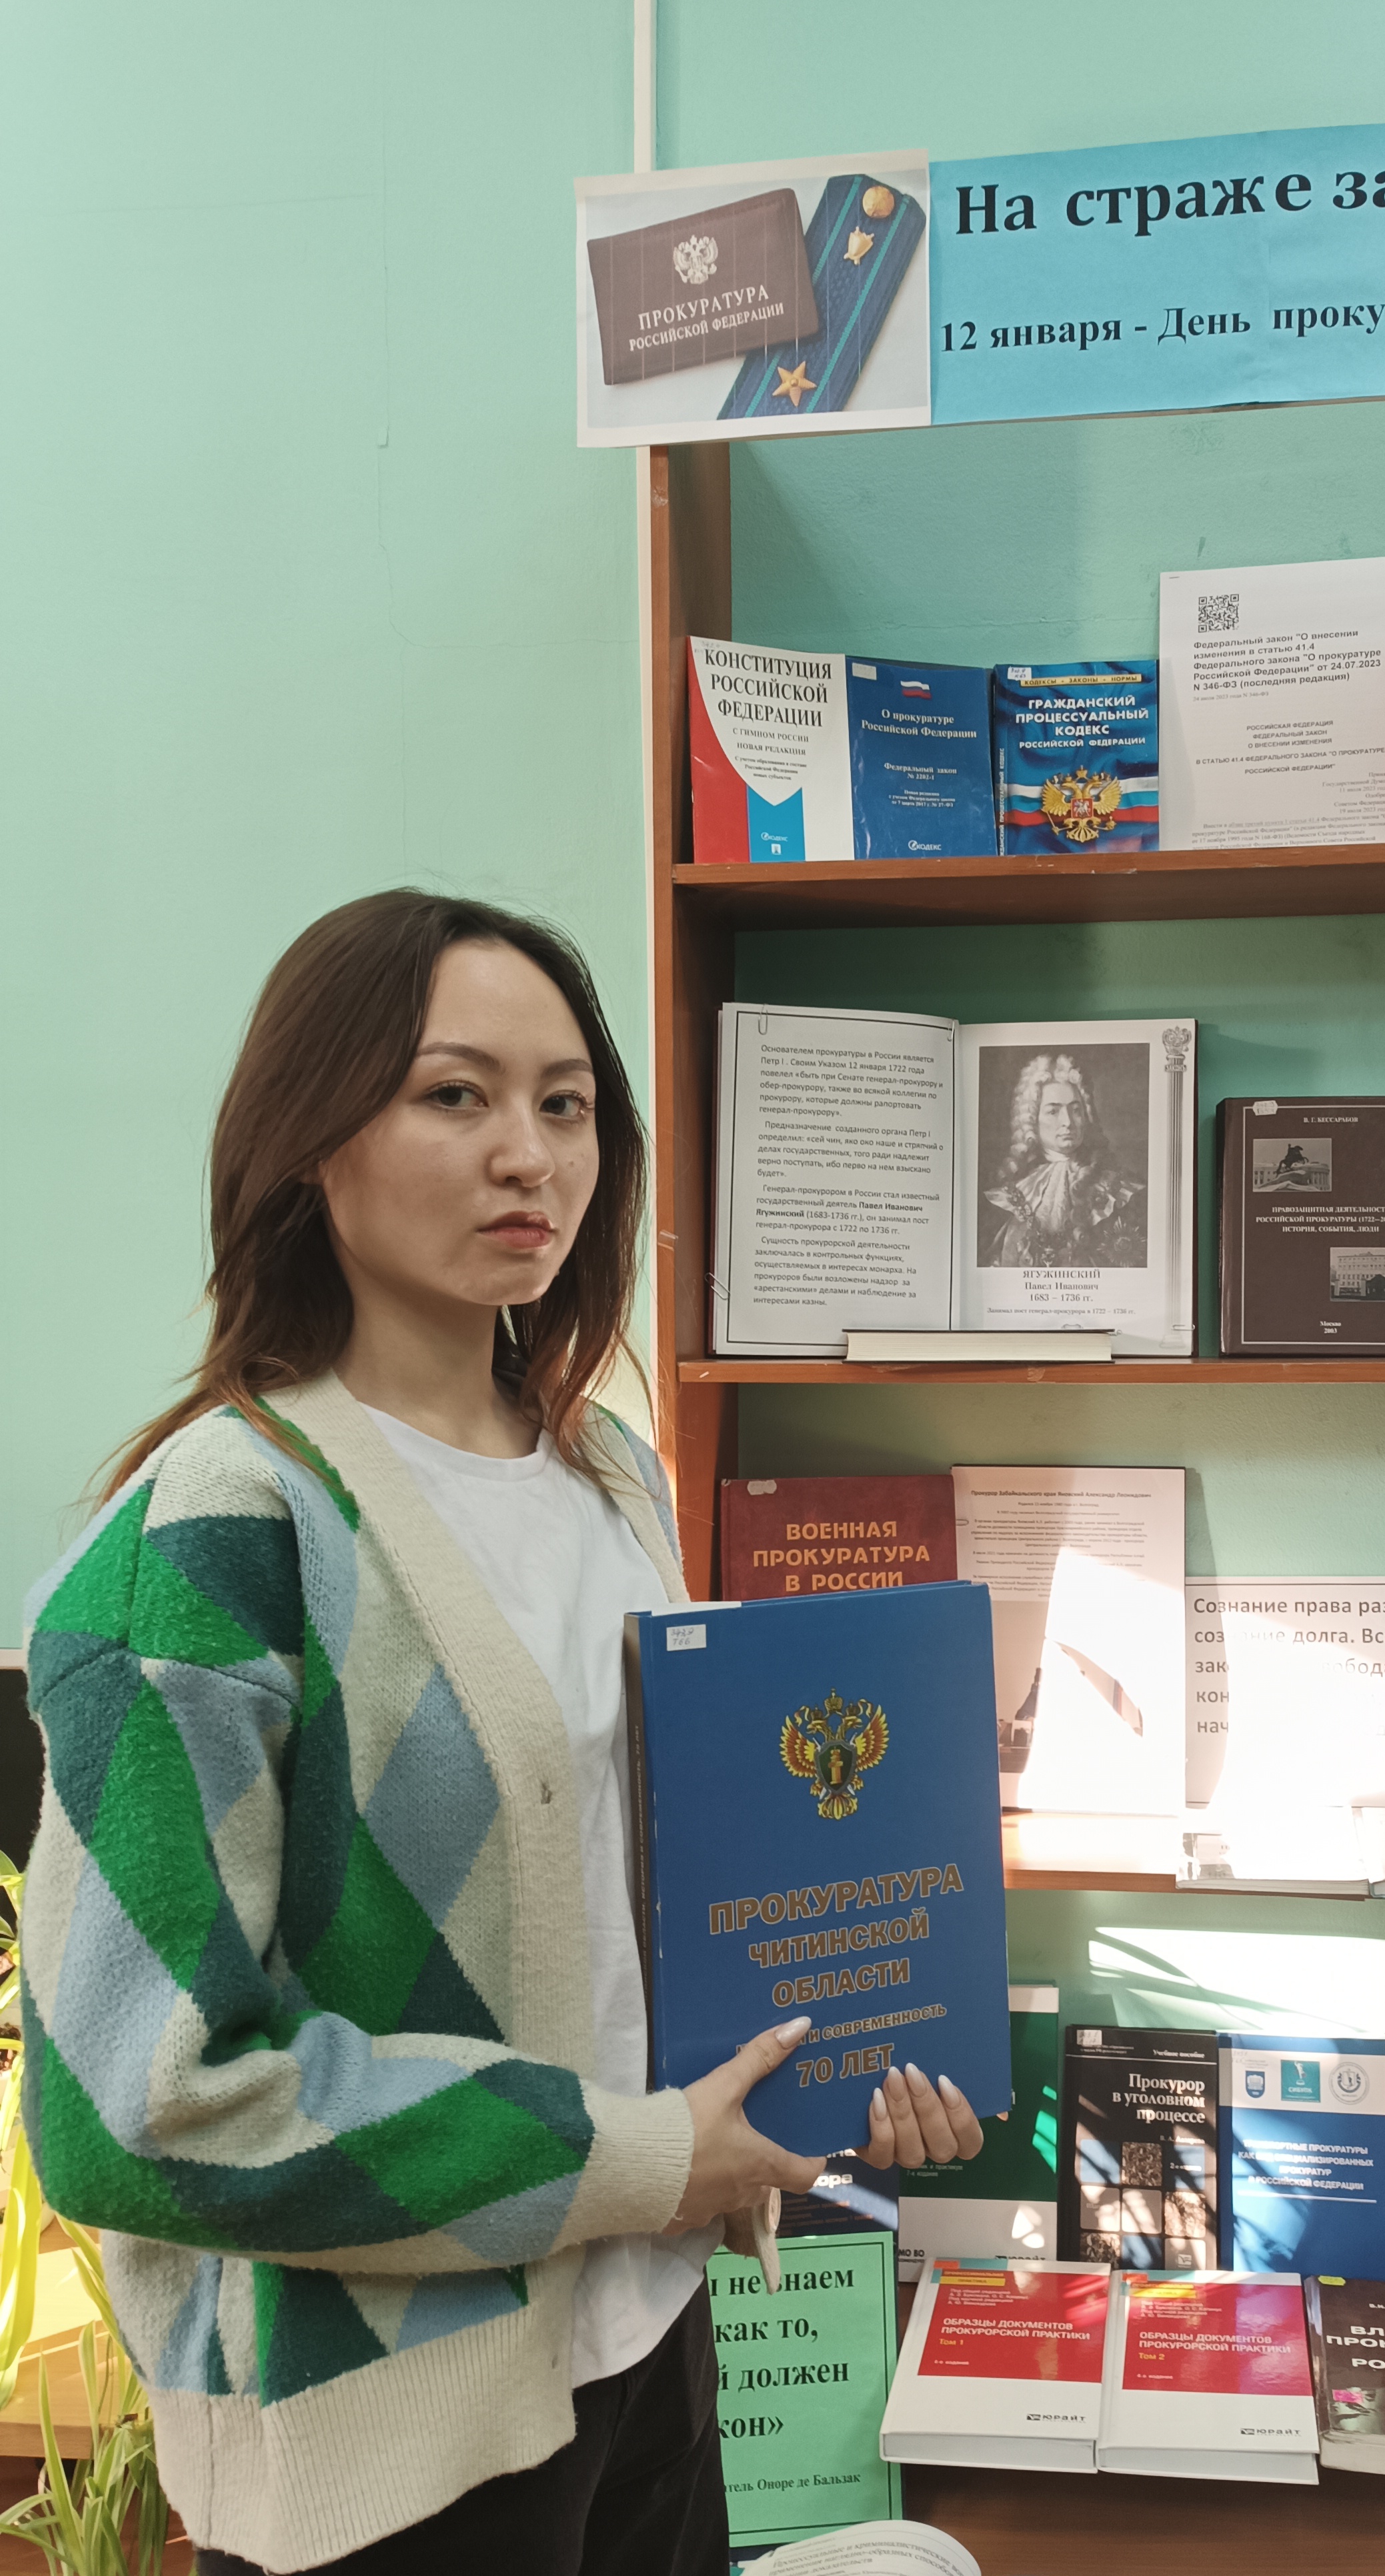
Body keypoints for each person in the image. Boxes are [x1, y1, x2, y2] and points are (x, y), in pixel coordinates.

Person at [18, 892, 983, 2575]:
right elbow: (138, 2105)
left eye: (566, 1103)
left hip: (650, 2341)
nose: (528, 1154)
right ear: (311, 1138)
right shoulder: (213, 1533)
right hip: (392, 2444)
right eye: (453, 1094)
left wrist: (836, 2069)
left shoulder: (612, 1473)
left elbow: (639, 1922)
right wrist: (640, 2155)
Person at [985, 1050, 1145, 1266]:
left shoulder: (1118, 1191)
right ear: (1032, 1120)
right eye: (1053, 1112)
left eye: (1076, 1110)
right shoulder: (1013, 1194)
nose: (1068, 1122)